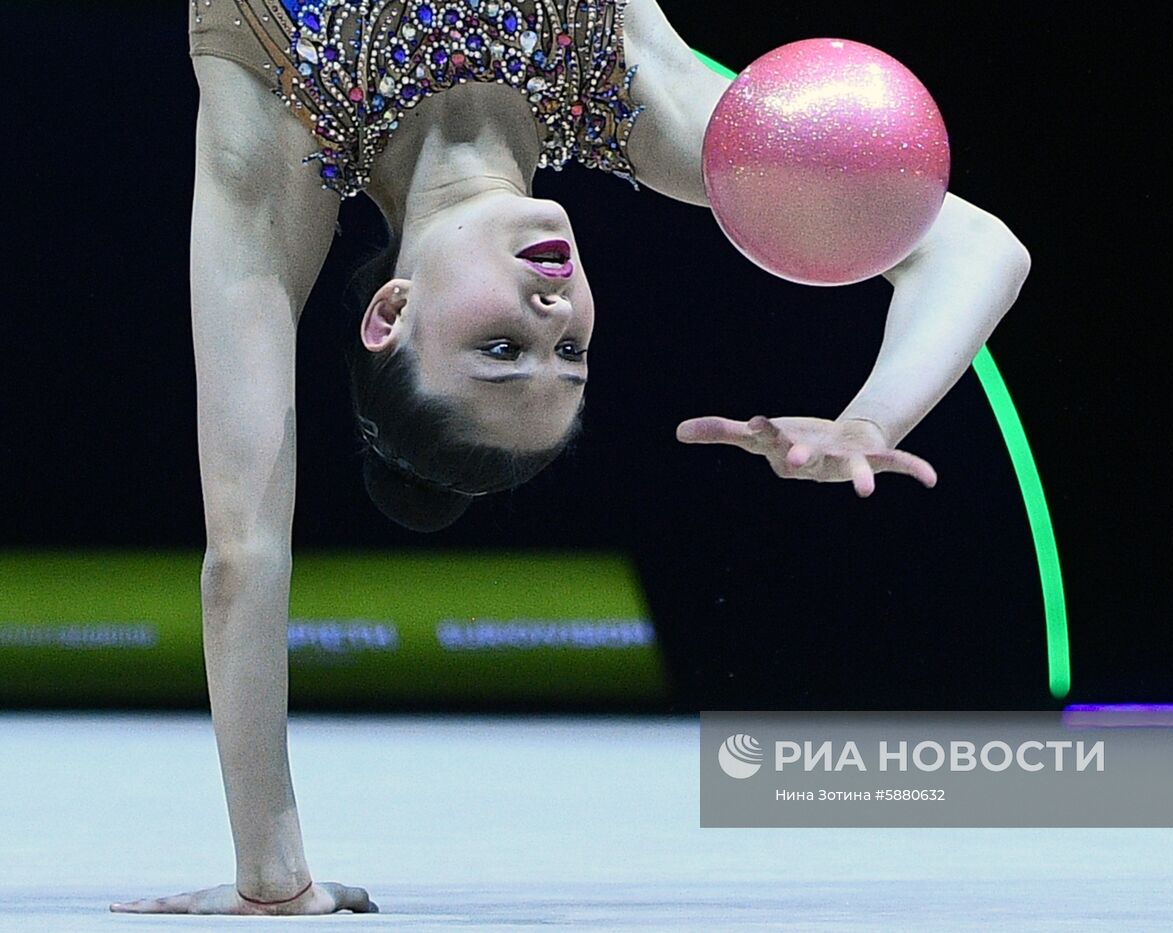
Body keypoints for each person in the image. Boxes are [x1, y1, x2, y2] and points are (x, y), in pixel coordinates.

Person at [110, 0, 1030, 915]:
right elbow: (976, 246)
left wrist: (271, 873)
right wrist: (871, 423)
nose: (555, 321)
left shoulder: (272, 130)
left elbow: (245, 548)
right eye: (571, 355)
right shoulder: (633, 96)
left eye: (501, 350)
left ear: (390, 314)